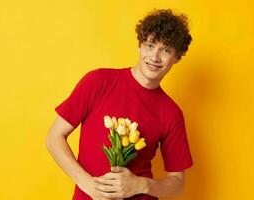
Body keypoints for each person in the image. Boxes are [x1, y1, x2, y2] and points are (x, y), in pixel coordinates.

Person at [46, 8, 194, 200]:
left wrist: (140, 185)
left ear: (177, 57)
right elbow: (54, 137)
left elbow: (177, 183)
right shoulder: (98, 81)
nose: (155, 57)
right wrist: (88, 185)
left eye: (166, 50)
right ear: (139, 46)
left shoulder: (171, 112)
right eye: (150, 45)